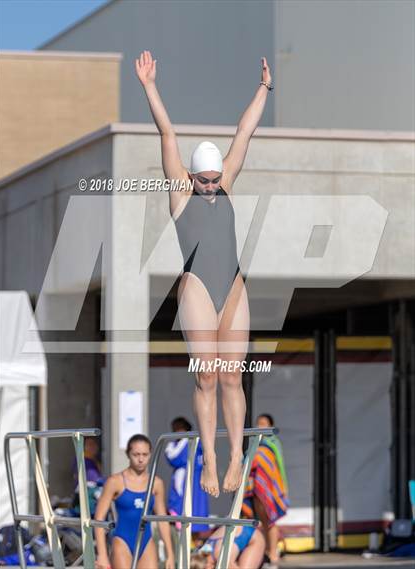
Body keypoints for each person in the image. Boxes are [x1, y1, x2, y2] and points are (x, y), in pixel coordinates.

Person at [135, 50, 273, 497]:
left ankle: (236, 456)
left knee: (233, 376)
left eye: (216, 180)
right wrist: (150, 86)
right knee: (207, 375)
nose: (213, 186)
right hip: (196, 285)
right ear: (191, 176)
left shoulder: (227, 182)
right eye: (206, 180)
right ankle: (209, 461)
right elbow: (168, 132)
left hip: (232, 285)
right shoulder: (180, 190)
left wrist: (263, 89)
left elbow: (245, 132)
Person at [94, 434, 174, 569]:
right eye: (136, 454)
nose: (141, 459)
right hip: (122, 541)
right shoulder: (115, 481)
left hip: (147, 542)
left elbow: (163, 520)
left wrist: (170, 553)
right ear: (128, 454)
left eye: (145, 454)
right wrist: (102, 554)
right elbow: (99, 519)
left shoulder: (156, 483)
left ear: (150, 454)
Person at [241, 414, 289, 567]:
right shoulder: (254, 443)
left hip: (269, 489)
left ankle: (273, 553)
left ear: (271, 426)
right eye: (258, 423)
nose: (260, 426)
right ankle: (264, 552)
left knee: (270, 521)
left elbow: (276, 468)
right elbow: (246, 463)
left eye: (264, 424)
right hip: (255, 489)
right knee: (258, 521)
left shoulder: (273, 443)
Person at [164, 417, 209, 534]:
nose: (178, 433)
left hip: (197, 484)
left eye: (180, 429)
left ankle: (196, 544)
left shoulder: (196, 442)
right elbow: (174, 458)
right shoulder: (173, 446)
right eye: (175, 430)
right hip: (182, 482)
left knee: (197, 512)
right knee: (180, 510)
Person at [190, 524, 265, 569]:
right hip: (239, 533)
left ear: (208, 567)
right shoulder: (202, 553)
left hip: (254, 538)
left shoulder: (219, 554)